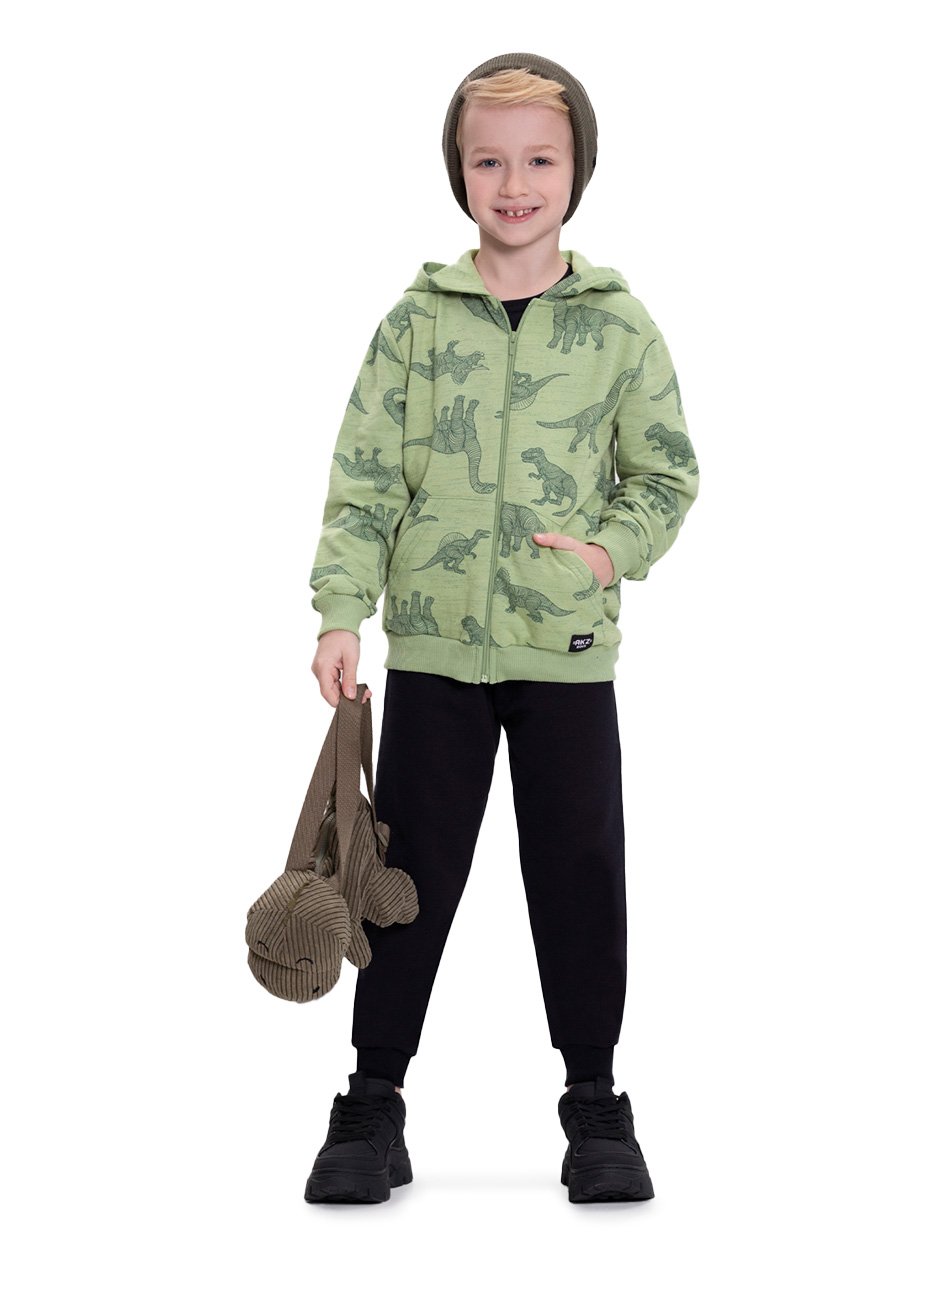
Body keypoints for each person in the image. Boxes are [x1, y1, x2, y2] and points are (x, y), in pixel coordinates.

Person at [303, 52, 699, 1205]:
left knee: (577, 870)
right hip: (432, 655)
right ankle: (372, 1098)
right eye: (488, 161)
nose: (513, 184)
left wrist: (606, 552)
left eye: (538, 160)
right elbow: (364, 480)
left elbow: (664, 474)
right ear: (458, 171)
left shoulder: (618, 327)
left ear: (576, 171)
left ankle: (593, 1099)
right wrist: (341, 611)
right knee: (403, 878)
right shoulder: (414, 324)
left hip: (564, 654)